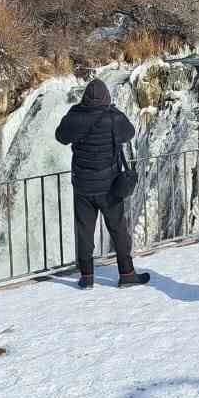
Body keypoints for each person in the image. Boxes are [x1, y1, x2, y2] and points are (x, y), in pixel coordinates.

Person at [54, 79, 149, 289]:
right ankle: (127, 274)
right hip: (109, 187)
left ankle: (87, 277)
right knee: (118, 230)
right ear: (106, 97)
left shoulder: (75, 116)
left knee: (84, 232)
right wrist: (112, 113)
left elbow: (60, 136)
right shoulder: (113, 117)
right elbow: (129, 133)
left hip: (83, 187)